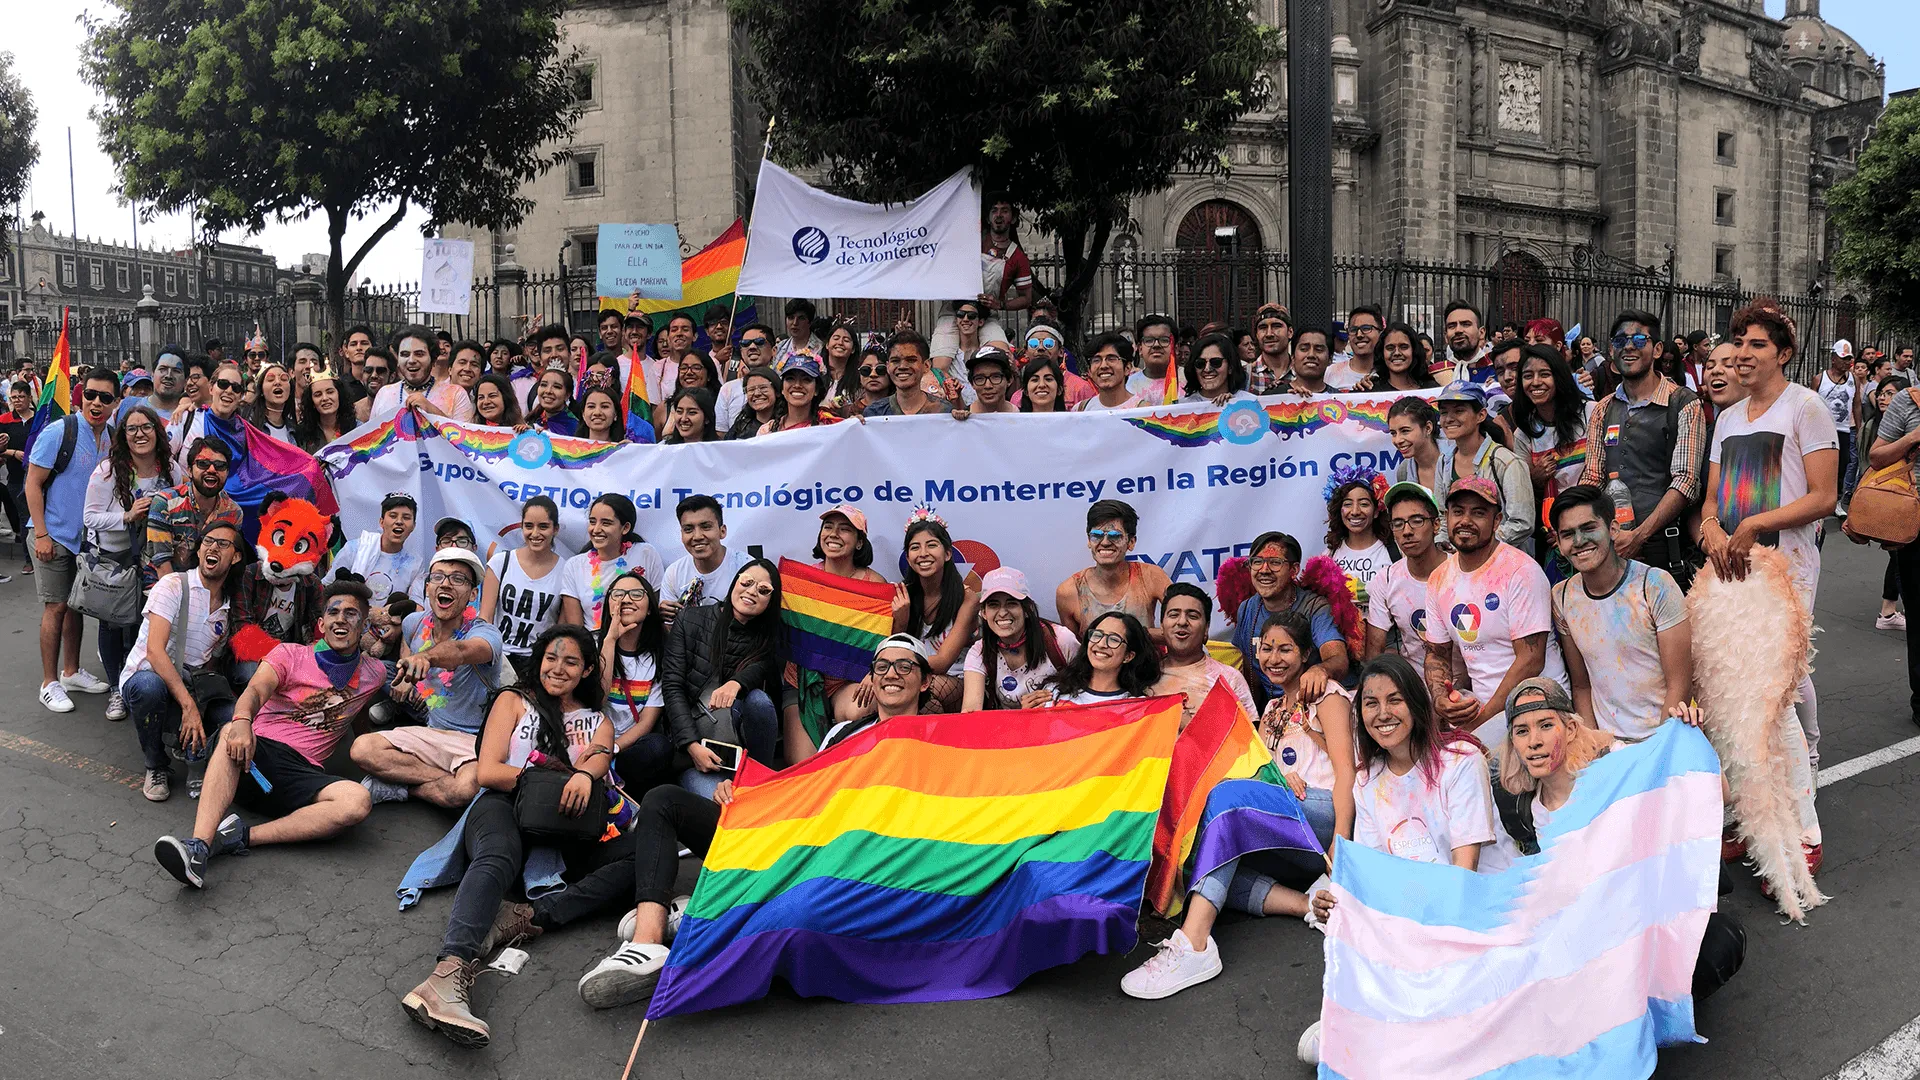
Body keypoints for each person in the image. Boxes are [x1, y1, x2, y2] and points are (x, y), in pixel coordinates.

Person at [576, 633, 939, 1010]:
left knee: (798, 922)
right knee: (664, 801)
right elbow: (803, 790)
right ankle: (647, 944)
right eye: (882, 666)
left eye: (904, 666)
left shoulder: (941, 743)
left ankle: (708, 912)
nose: (891, 674)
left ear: (925, 680)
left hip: (851, 867)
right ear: (873, 677)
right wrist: (746, 793)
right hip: (794, 841)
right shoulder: (843, 733)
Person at [399, 625, 633, 1047]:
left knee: (641, 856)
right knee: (498, 856)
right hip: (502, 805)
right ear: (539, 660)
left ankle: (520, 919)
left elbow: (600, 756)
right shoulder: (514, 700)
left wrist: (584, 774)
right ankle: (446, 977)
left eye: (571, 662)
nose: (558, 668)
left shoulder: (599, 721)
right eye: (551, 658)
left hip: (562, 830)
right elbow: (488, 771)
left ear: (585, 672)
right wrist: (548, 781)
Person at [1118, 608, 1350, 1000]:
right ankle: (1307, 905)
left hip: (1320, 816)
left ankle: (1194, 943)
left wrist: (1339, 849)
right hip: (1281, 825)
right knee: (1197, 856)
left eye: (1286, 650)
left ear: (1306, 655)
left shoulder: (1325, 694)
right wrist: (1272, 782)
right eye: (1266, 648)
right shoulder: (1271, 712)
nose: (1273, 658)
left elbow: (1349, 772)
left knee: (1226, 796)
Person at [151, 574, 387, 889]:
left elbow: (359, 717)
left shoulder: (375, 673)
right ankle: (199, 847)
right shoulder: (290, 654)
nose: (341, 620)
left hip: (301, 777)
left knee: (357, 801)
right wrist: (243, 722)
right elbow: (255, 691)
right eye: (334, 612)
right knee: (229, 733)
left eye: (352, 614)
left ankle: (240, 837)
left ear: (362, 626)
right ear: (320, 623)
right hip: (254, 760)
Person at [1705, 300, 1838, 772]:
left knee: (1785, 669)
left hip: (1788, 565)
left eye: (1757, 344)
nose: (1743, 353)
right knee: (1745, 669)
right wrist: (1710, 529)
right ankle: (1760, 766)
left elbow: (1825, 497)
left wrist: (1756, 524)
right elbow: (1711, 499)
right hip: (1733, 566)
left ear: (1783, 354)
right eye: (1739, 342)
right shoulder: (1727, 419)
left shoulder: (1806, 406)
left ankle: (1809, 757)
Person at [352, 547, 504, 808]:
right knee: (362, 749)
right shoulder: (414, 622)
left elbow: (461, 651)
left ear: (473, 594)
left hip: (473, 742)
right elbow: (409, 656)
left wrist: (427, 658)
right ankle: (443, 782)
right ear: (428, 587)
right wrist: (405, 679)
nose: (446, 584)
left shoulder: (487, 634)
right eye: (438, 577)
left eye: (458, 579)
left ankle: (401, 787)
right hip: (430, 733)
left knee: (465, 789)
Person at [1421, 477, 1567, 745]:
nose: (1466, 521)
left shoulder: (1520, 570)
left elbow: (1531, 661)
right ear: (1445, 518)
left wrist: (1480, 724)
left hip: (1538, 702)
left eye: (1478, 513)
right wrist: (1440, 698)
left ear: (1497, 521)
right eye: (1458, 512)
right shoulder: (1439, 579)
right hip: (1483, 708)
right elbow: (1436, 653)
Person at [1578, 310, 1709, 591]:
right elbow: (1592, 476)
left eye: (1639, 340)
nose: (1628, 347)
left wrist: (1639, 535)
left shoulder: (1683, 404)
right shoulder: (1603, 408)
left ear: (1657, 349)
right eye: (1619, 340)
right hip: (1612, 547)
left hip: (1666, 550)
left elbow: (1686, 482)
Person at [1548, 484, 1692, 738]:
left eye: (1589, 528)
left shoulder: (1656, 585)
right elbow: (1581, 685)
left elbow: (1679, 685)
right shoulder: (1562, 597)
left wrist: (1659, 751)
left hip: (1665, 737)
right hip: (1609, 748)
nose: (1580, 541)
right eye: (1568, 534)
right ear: (1559, 543)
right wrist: (1596, 748)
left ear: (1613, 529)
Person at [122, 520, 243, 801]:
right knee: (148, 687)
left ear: (236, 557)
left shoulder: (228, 607)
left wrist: (199, 705)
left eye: (223, 544)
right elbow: (154, 651)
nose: (213, 547)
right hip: (148, 676)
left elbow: (209, 666)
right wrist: (188, 706)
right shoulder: (173, 585)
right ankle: (155, 764)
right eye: (208, 542)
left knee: (232, 715)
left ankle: (190, 747)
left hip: (189, 683)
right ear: (199, 551)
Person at [26, 367, 120, 711]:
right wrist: (41, 533)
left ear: (115, 402)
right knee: (56, 606)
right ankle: (49, 682)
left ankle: (71, 671)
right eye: (90, 394)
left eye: (105, 397)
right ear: (80, 395)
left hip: (89, 541)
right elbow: (32, 484)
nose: (96, 402)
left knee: (75, 604)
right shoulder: (59, 432)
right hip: (54, 535)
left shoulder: (113, 437)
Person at [661, 558, 784, 797]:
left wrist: (735, 683)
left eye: (763, 590)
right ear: (734, 582)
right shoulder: (690, 620)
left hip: (742, 748)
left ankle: (757, 781)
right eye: (747, 582)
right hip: (696, 749)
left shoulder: (769, 639)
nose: (751, 592)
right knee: (724, 810)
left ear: (771, 600)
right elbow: (672, 686)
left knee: (759, 700)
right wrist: (692, 746)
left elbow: (764, 665)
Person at [84, 403, 175, 717]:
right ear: (123, 435)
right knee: (112, 624)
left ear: (156, 431)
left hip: (156, 560)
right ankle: (115, 689)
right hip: (117, 559)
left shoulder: (171, 468)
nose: (140, 434)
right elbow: (89, 517)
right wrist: (127, 516)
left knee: (144, 625)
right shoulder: (108, 471)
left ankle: (138, 684)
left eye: (146, 427)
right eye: (132, 428)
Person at [1231, 531, 1349, 695]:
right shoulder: (1247, 609)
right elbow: (1250, 674)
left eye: (1275, 562)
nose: (1264, 570)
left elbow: (1339, 659)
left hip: (1309, 702)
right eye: (1257, 562)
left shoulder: (1314, 607)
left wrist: (1320, 670)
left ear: (1293, 570)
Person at [892, 513, 980, 711]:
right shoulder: (903, 596)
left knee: (921, 690)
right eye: (915, 547)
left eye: (931, 545)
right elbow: (895, 647)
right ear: (908, 557)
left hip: (960, 680)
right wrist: (901, 622)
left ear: (948, 553)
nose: (923, 553)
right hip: (915, 678)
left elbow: (942, 663)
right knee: (925, 702)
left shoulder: (967, 599)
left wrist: (895, 668)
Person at [961, 567, 1079, 712]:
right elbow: (971, 714)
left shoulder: (1060, 639)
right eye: (993, 605)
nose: (1003, 613)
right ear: (983, 613)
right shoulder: (979, 651)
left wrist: (1055, 701)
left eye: (1011, 603)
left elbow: (1089, 689)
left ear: (1027, 609)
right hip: (1010, 730)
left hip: (1062, 726)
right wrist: (1023, 715)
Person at [1435, 380, 1534, 548]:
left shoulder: (1507, 462)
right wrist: (1442, 544)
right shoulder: (1444, 462)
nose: (1449, 419)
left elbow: (1522, 523)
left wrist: (1477, 544)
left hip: (1504, 563)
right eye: (1444, 412)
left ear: (1481, 415)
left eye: (1459, 411)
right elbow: (1444, 518)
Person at [1055, 499, 1171, 640]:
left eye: (1115, 536)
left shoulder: (1151, 576)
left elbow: (1184, 631)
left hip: (1148, 661)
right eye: (1096, 536)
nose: (1104, 543)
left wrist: (1134, 635)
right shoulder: (1069, 592)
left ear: (1131, 542)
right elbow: (1072, 651)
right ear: (1088, 541)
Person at [598, 569, 672, 792]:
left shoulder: (659, 656)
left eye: (636, 594)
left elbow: (646, 723)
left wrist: (614, 748)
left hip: (627, 749)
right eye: (618, 594)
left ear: (650, 608)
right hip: (590, 740)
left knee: (659, 747)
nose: (627, 599)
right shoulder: (591, 645)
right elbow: (596, 700)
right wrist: (610, 640)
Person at [479, 496, 566, 682]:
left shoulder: (566, 572)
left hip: (539, 664)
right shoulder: (500, 563)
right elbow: (485, 618)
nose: (535, 533)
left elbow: (562, 629)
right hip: (498, 660)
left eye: (543, 526)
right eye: (529, 526)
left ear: (555, 529)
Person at [1365, 483, 1446, 674]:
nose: (1407, 531)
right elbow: (1374, 655)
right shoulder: (1386, 579)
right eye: (1398, 524)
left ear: (1436, 525)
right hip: (1413, 690)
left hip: (1470, 690)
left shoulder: (1462, 572)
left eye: (1417, 520)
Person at [1151, 583, 1256, 724]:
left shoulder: (1229, 679)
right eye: (1174, 614)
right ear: (1162, 626)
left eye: (1193, 616)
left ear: (1206, 629)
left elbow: (1249, 739)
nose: (1182, 622)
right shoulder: (1144, 676)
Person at [559, 493, 666, 632]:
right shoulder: (574, 566)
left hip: (639, 645)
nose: (596, 529)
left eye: (606, 523)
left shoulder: (645, 553)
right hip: (593, 647)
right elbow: (576, 630)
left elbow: (656, 609)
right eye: (592, 522)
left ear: (625, 528)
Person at [1860, 374, 1911, 630]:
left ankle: (1889, 610)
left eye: (1889, 393)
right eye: (1882, 393)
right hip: (1899, 503)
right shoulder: (1880, 421)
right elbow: (1872, 460)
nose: (1883, 398)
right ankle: (1888, 612)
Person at [658, 494, 750, 623]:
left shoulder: (747, 569)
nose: (697, 536)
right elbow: (671, 632)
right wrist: (666, 617)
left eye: (705, 526)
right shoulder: (673, 573)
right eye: (688, 529)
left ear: (722, 531)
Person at [327, 492, 425, 608]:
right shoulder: (355, 549)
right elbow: (327, 586)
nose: (399, 522)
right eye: (393, 516)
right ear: (381, 522)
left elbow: (416, 606)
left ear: (413, 526)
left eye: (406, 518)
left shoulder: (415, 563)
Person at [1043, 611, 1162, 704]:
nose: (1101, 644)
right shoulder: (1054, 692)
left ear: (1128, 656)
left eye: (1114, 639)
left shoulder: (1137, 706)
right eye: (1097, 635)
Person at [370, 326, 475, 424]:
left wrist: (430, 410)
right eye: (404, 354)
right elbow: (373, 440)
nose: (411, 360)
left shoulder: (456, 394)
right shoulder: (384, 394)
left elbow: (463, 441)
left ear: (433, 359)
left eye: (419, 354)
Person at [1325, 472, 1394, 609]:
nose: (1355, 511)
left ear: (1376, 511)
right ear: (1340, 511)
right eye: (1348, 504)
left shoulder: (1394, 552)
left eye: (1363, 504)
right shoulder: (1329, 554)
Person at [864, 331, 950, 417]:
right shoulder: (874, 414)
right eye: (895, 361)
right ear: (887, 366)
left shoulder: (944, 411)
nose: (902, 366)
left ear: (926, 366)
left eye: (911, 360)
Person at [1815, 339, 1856, 510]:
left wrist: (1858, 428)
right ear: (1833, 358)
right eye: (1843, 358)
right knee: (1821, 465)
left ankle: (1837, 501)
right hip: (1824, 430)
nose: (1847, 362)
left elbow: (1857, 403)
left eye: (1849, 358)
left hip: (1844, 430)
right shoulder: (1819, 379)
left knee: (1842, 465)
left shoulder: (1853, 379)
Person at [0, 381, 35, 576]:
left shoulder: (39, 420)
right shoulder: (4, 420)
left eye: (21, 397)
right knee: (24, 518)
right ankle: (29, 559)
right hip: (15, 478)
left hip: (38, 477)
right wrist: (12, 452)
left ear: (29, 398)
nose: (18, 401)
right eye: (14, 397)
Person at [713, 323, 776, 430]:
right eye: (745, 343)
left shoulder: (785, 385)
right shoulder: (728, 389)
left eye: (759, 342)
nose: (752, 347)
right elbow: (721, 435)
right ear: (741, 352)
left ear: (774, 350)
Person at [1387, 396, 1445, 510]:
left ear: (1428, 428)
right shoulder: (1403, 471)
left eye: (1405, 431)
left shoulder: (1457, 458)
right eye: (1393, 433)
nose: (1398, 440)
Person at [760, 354, 838, 433]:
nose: (797, 385)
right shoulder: (766, 431)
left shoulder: (828, 429)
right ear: (782, 389)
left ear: (816, 390)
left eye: (806, 379)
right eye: (790, 378)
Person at [294, 362, 356, 452]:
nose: (325, 398)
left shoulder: (357, 428)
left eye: (330, 392)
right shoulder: (302, 434)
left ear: (339, 395)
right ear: (311, 401)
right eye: (318, 394)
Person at [1181, 332, 1254, 405]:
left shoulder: (1250, 402)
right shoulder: (1181, 408)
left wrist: (1235, 407)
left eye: (1216, 362)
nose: (1207, 369)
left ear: (1230, 367)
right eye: (1200, 363)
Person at [1077, 333, 1142, 411]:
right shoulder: (1081, 410)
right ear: (1089, 371)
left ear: (1127, 368)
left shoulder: (1144, 411)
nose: (1103, 366)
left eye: (1111, 359)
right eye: (1096, 360)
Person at [1326, 305, 1382, 390]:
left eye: (1366, 328)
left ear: (1380, 333)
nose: (1359, 335)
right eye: (1353, 330)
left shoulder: (1390, 375)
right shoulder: (1330, 373)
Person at [1128, 313, 1182, 398]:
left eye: (1164, 340)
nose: (1156, 345)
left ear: (1176, 348)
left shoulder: (1191, 381)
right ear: (1140, 349)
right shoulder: (1128, 387)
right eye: (1149, 340)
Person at [1245, 304, 1293, 395]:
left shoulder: (1303, 374)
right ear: (1257, 335)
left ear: (1290, 332)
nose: (1269, 334)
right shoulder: (1244, 376)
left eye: (1276, 326)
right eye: (1263, 328)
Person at [1438, 300, 1492, 380]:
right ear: (1446, 336)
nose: (1458, 330)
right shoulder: (1434, 375)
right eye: (1451, 326)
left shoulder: (1497, 371)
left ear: (1481, 332)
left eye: (1466, 324)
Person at [723, 366, 778, 439]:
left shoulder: (785, 426)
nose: (757, 393)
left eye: (763, 388)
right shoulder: (740, 428)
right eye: (751, 390)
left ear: (777, 391)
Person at [247, 363, 295, 441]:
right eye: (270, 379)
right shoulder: (248, 426)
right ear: (261, 390)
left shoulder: (295, 431)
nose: (277, 382)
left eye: (284, 378)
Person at [524, 368, 578, 434]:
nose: (548, 391)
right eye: (543, 385)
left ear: (567, 395)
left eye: (556, 387)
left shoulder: (576, 428)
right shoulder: (531, 421)